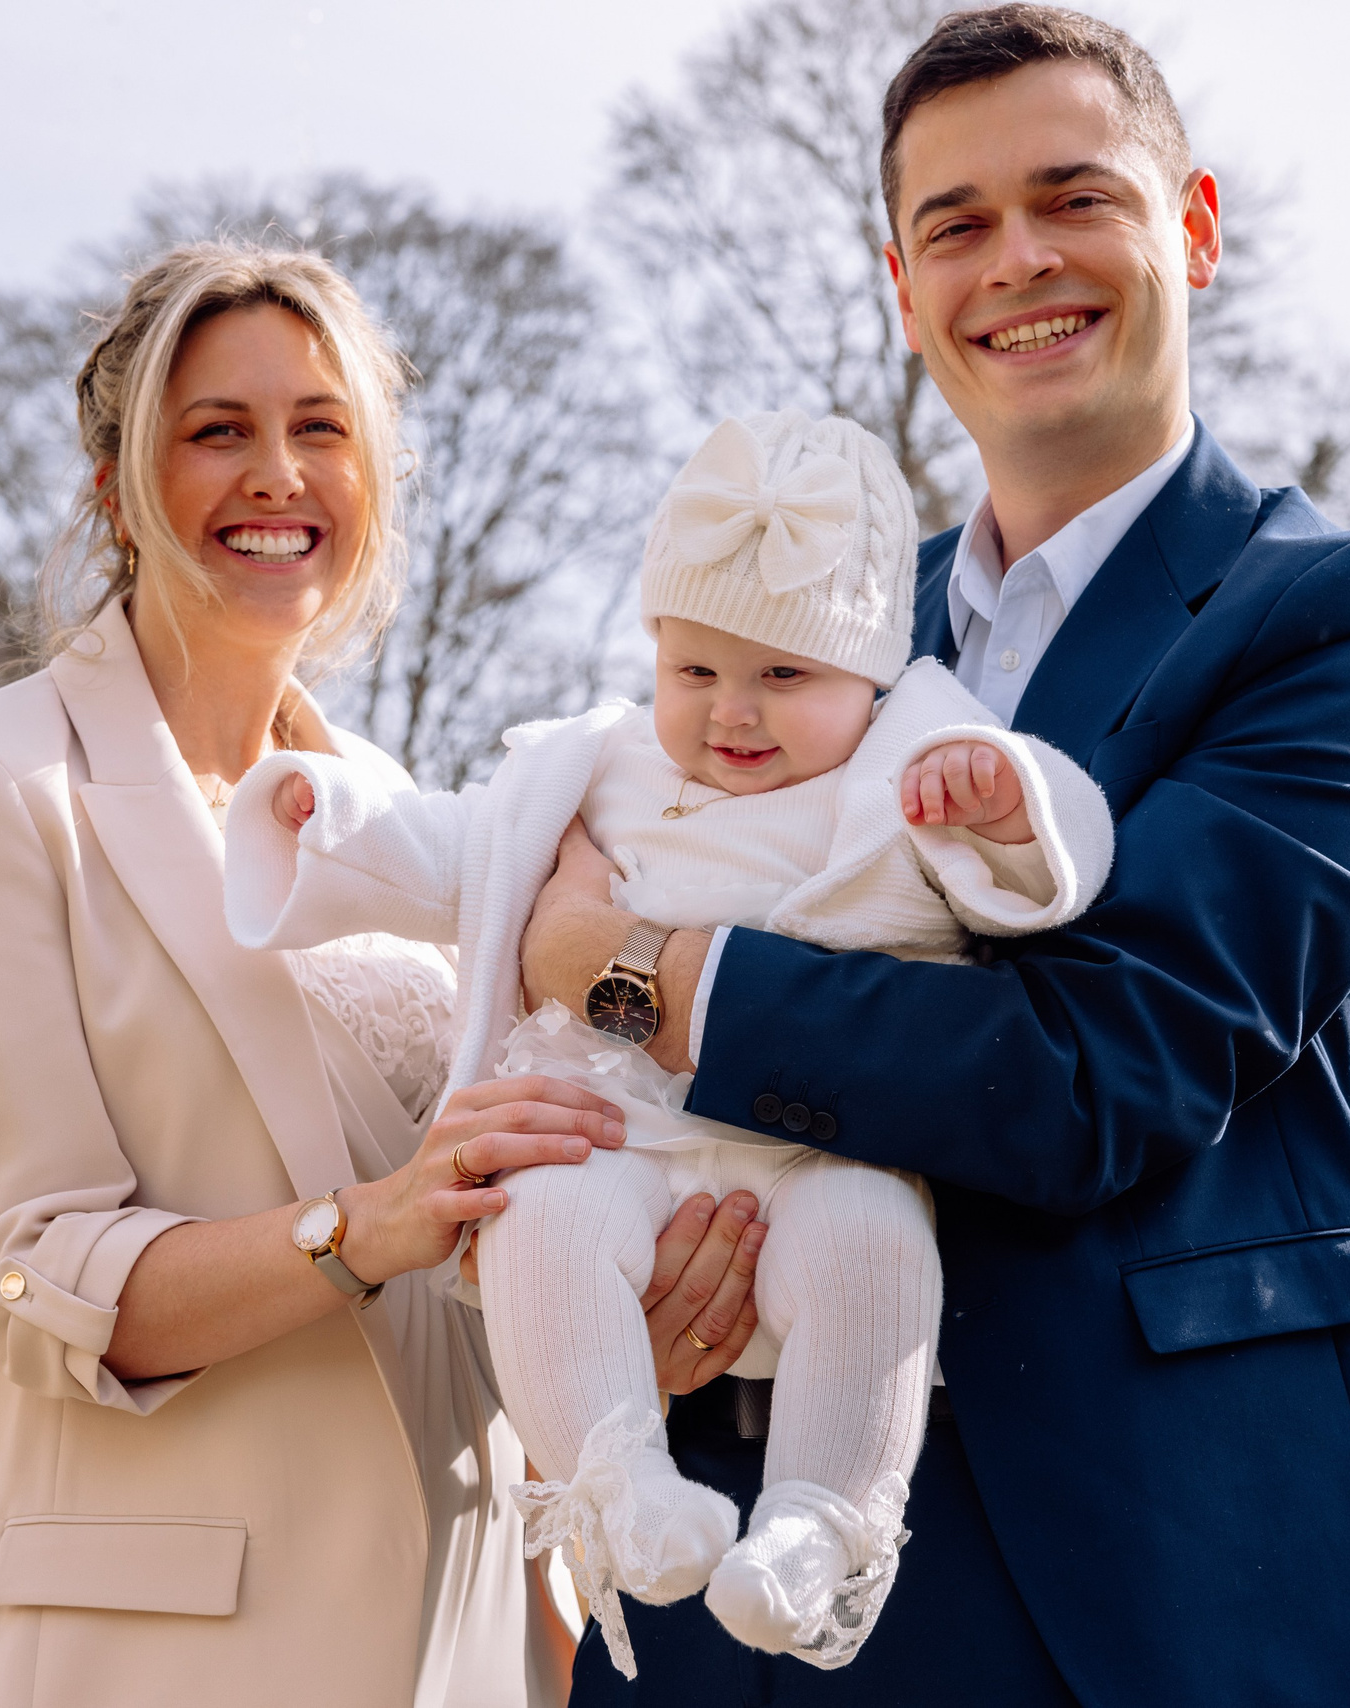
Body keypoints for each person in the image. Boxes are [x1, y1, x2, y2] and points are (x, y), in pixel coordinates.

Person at [520, 8, 1350, 1706]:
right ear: (902, 282)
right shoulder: (803, 642)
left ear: (1193, 227)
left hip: (1165, 1560)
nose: (1019, 261)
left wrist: (629, 974)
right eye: (958, 224)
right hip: (750, 1542)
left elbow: (1097, 1073)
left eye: (1076, 197)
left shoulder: (1342, 619)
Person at [0, 239, 766, 1708]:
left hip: (465, 1650)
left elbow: (461, 1283)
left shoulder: (401, 816)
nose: (277, 473)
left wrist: (601, 1343)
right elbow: (25, 1276)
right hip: (146, 1662)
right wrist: (372, 1222)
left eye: (321, 430)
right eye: (218, 431)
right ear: (116, 486)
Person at [221, 408, 1114, 1677]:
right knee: (539, 1223)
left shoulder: (907, 771)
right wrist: (328, 819)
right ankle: (614, 1480)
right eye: (693, 671)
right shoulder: (596, 769)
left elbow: (1042, 869)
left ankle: (821, 1520)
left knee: (877, 1260)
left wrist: (1003, 810)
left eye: (782, 678)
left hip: (821, 1153)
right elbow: (461, 851)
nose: (730, 715)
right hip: (615, 1123)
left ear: (870, 678)